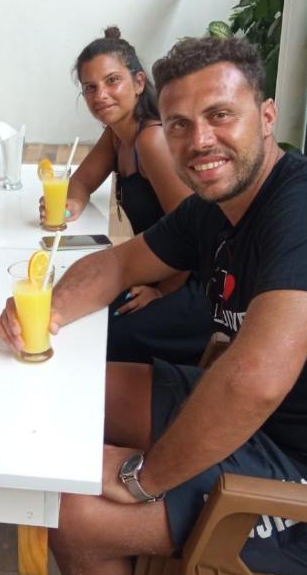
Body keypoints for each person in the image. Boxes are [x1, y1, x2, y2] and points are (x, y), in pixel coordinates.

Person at [0, 37, 307, 575]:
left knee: (72, 509)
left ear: (267, 115)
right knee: (81, 389)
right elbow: (117, 264)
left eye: (220, 115)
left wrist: (142, 477)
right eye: (179, 124)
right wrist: (45, 314)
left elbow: (255, 381)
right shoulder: (216, 208)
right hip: (268, 426)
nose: (198, 140)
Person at [54, 27, 213, 365]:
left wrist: (162, 291)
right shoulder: (117, 136)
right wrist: (71, 205)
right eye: (90, 88)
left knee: (101, 335)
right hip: (156, 267)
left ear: (139, 82)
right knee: (84, 315)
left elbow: (192, 232)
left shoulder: (150, 141)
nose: (101, 96)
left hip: (194, 283)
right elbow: (81, 181)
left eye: (113, 81)